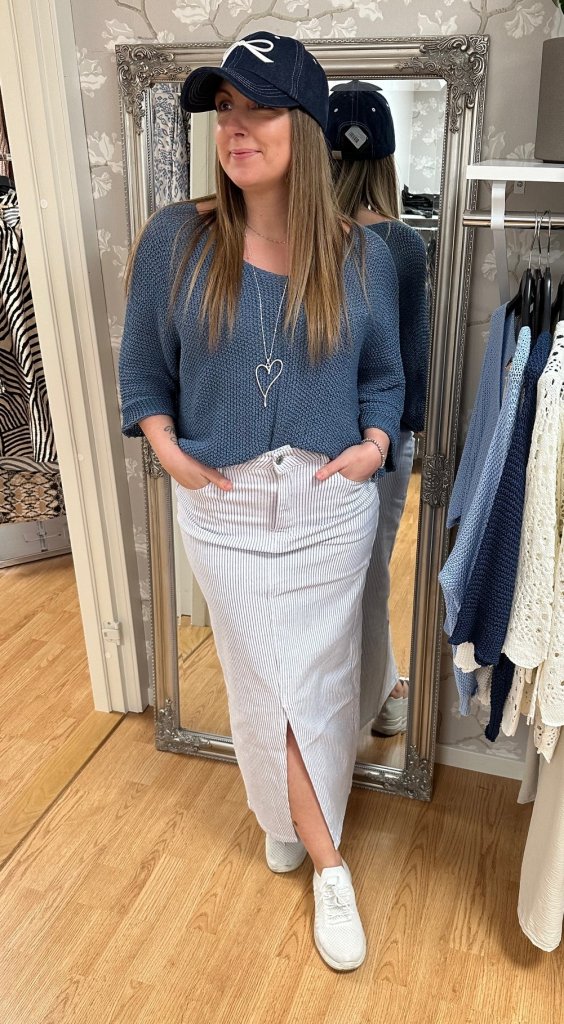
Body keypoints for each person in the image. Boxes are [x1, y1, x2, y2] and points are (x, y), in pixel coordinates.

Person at [119, 34, 404, 972]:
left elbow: (385, 377)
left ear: (308, 127)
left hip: (327, 505)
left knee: (318, 687)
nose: (236, 127)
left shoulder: (361, 257)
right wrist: (170, 453)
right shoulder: (178, 240)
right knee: (263, 694)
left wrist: (372, 448)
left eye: (261, 108)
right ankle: (326, 858)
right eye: (226, 109)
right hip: (226, 508)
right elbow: (143, 370)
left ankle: (301, 834)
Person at [326, 81, 430, 738]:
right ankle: (376, 701)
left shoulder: (297, 237)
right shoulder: (403, 244)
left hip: (314, 433)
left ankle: (373, 689)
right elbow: (412, 358)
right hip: (382, 434)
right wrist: (411, 427)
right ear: (387, 159)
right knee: (369, 573)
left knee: (328, 579)